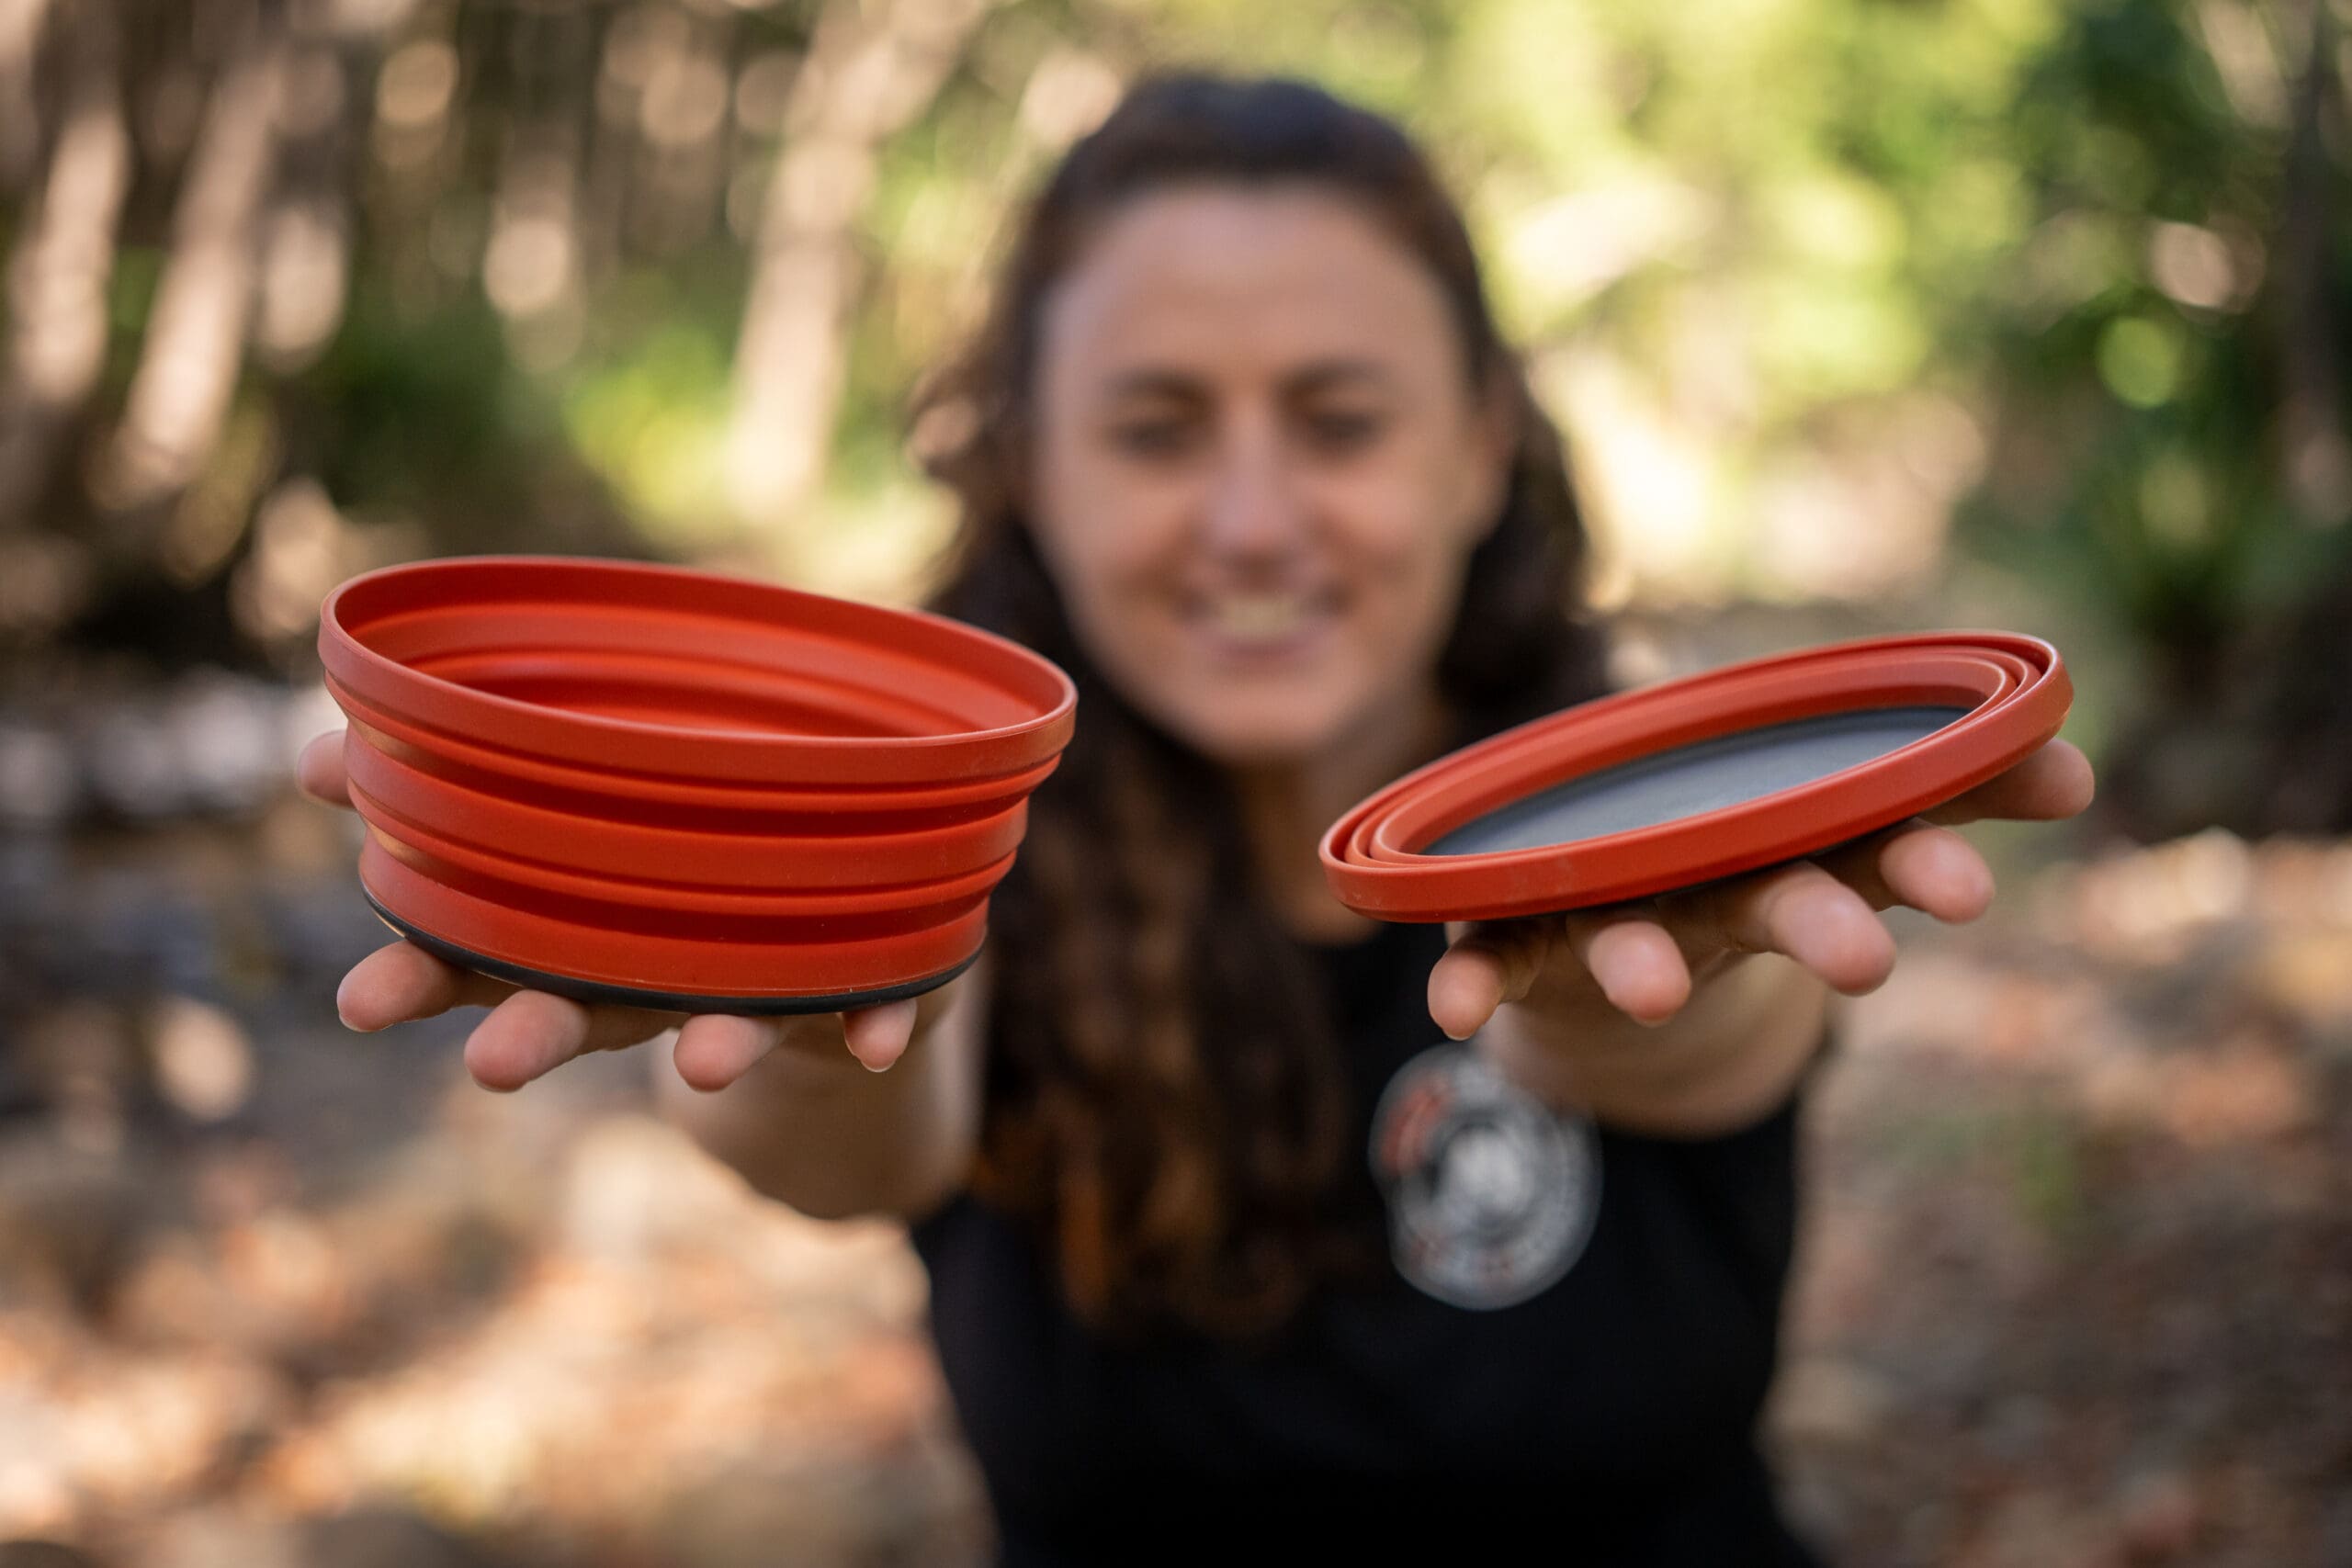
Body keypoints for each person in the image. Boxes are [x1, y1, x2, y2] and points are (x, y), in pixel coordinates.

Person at [298, 74, 2093, 1563]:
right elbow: (848, 1144)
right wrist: (794, 974)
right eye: (1156, 431)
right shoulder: (960, 843)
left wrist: (1619, 966)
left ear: (1477, 449)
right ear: (1034, 474)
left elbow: (1690, 1032)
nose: (1248, 519)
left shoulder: (1640, 804)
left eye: (1336, 421)